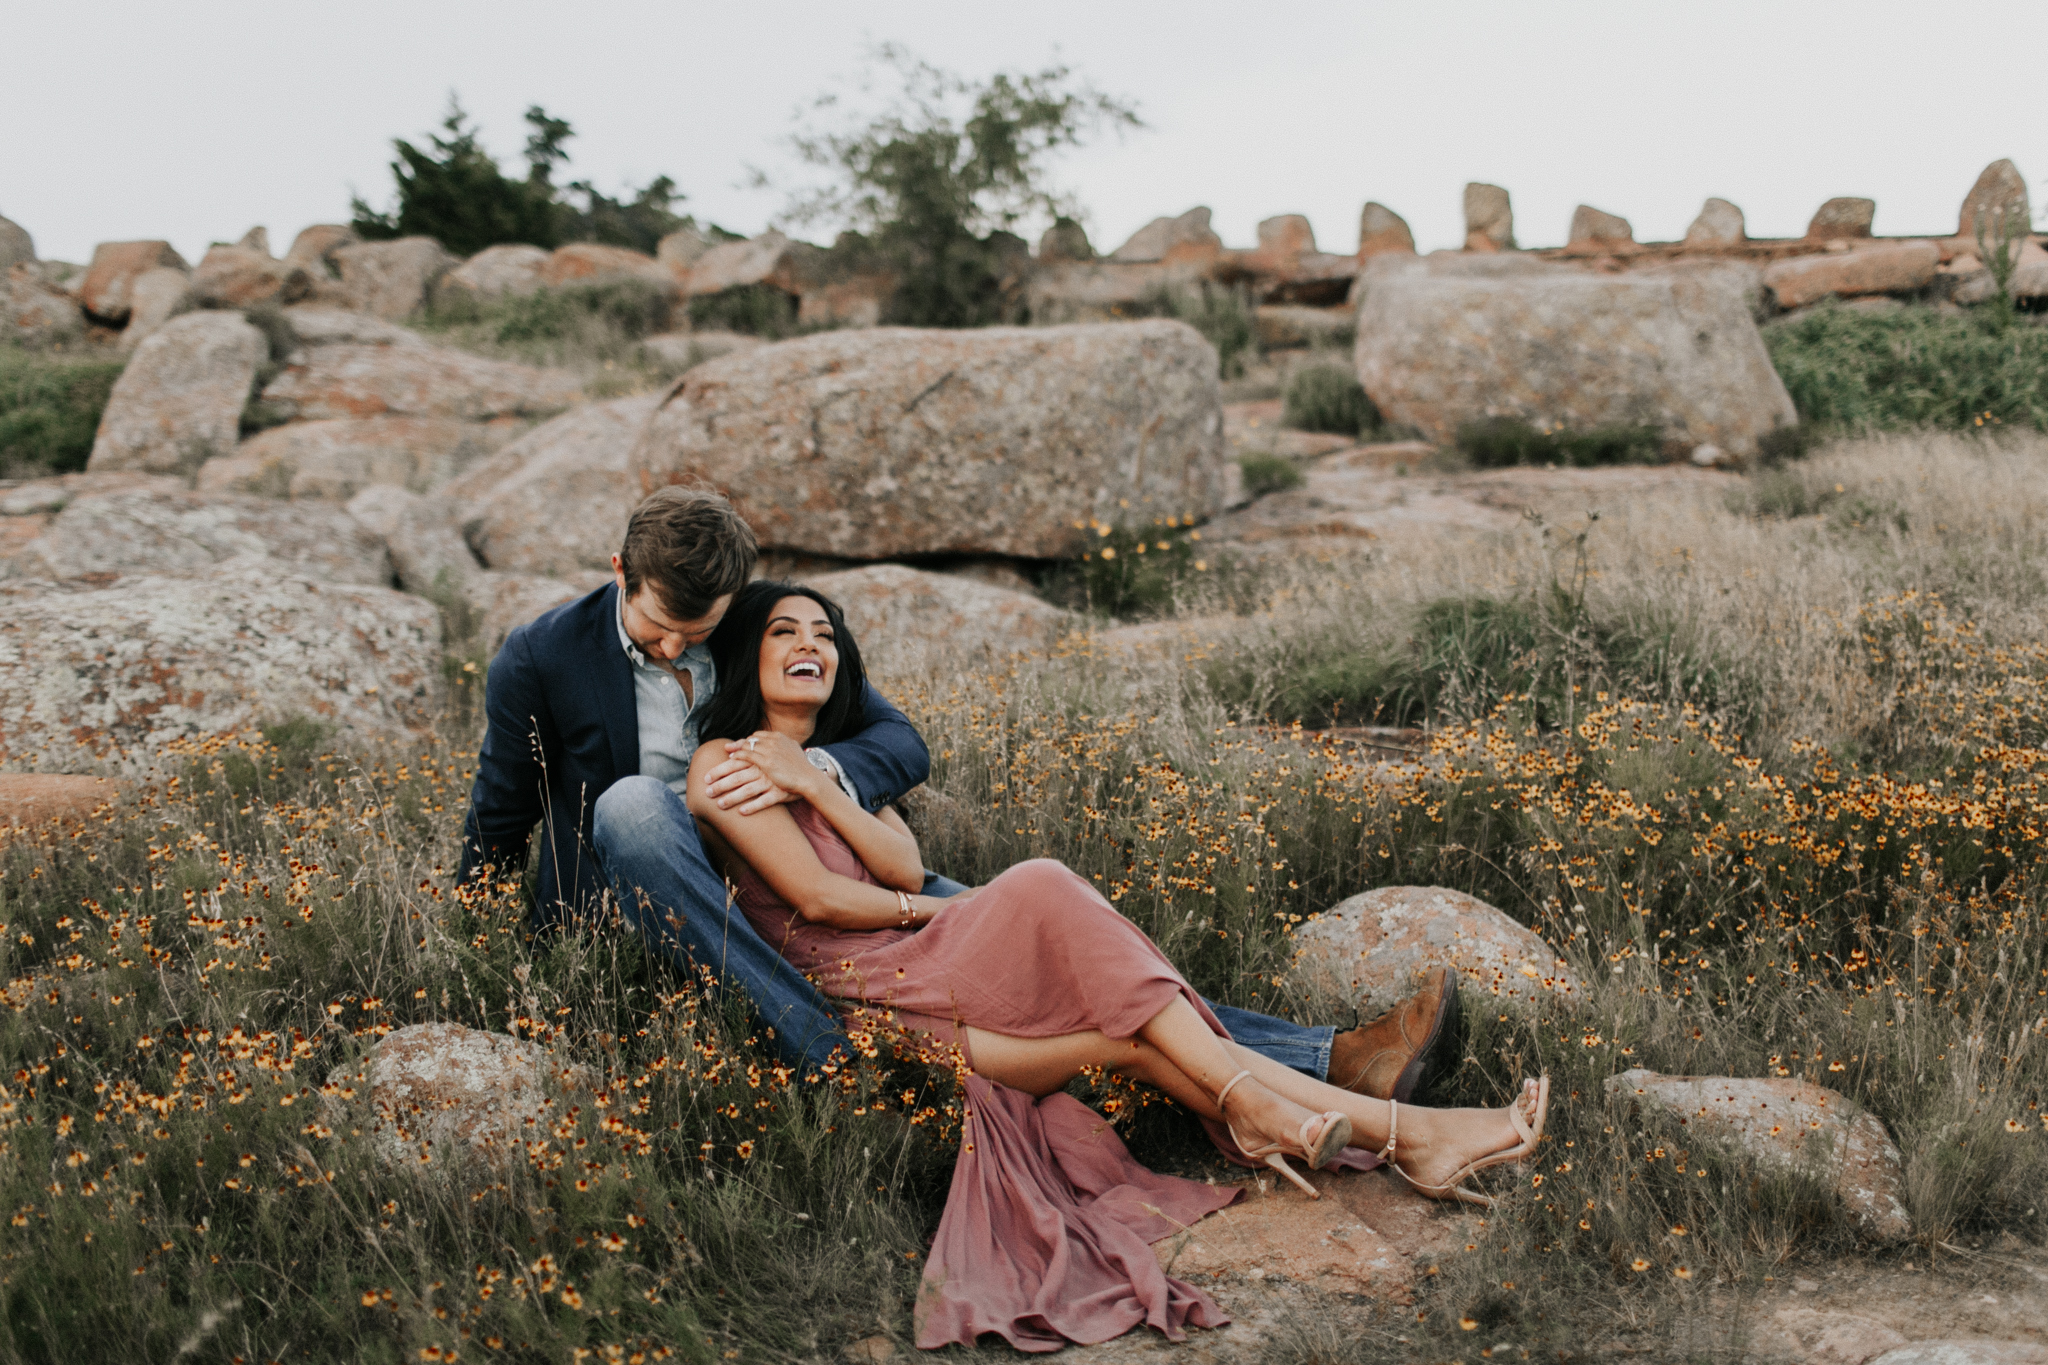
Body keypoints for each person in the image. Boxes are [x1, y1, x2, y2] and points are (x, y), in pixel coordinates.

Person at [684, 580, 1551, 1352]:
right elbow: (828, 901)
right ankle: (1264, 1104)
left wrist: (817, 780)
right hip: (874, 1000)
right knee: (1046, 886)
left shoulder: (845, 778)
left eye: (826, 634)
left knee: (1140, 1038)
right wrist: (959, 909)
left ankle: (1409, 1138)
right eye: (785, 632)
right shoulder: (719, 764)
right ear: (744, 654)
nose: (811, 645)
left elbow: (902, 867)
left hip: (940, 981)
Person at [459, 486, 1456, 1098]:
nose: (683, 647)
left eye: (702, 624)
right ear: (618, 571)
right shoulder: (540, 657)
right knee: (632, 803)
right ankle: (815, 1047)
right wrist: (468, 932)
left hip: (800, 866)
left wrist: (817, 774)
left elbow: (899, 738)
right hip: (655, 897)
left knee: (1048, 926)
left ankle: (1327, 1060)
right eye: (662, 627)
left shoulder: (751, 626)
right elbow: (502, 811)